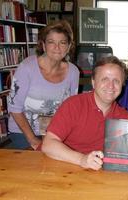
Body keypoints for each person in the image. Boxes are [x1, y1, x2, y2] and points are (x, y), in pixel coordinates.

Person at [42, 56, 128, 171]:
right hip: (61, 169)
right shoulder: (73, 105)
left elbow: (124, 156)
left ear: (122, 85)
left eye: (116, 81)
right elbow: (48, 144)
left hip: (96, 176)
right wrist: (82, 159)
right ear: (93, 82)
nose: (111, 86)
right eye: (105, 79)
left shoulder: (123, 116)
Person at [7, 20, 80, 150]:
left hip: (56, 131)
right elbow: (14, 108)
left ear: (69, 46)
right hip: (23, 131)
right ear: (44, 45)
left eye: (62, 43)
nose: (57, 47)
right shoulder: (27, 68)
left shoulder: (73, 72)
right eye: (51, 42)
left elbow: (70, 108)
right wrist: (34, 141)